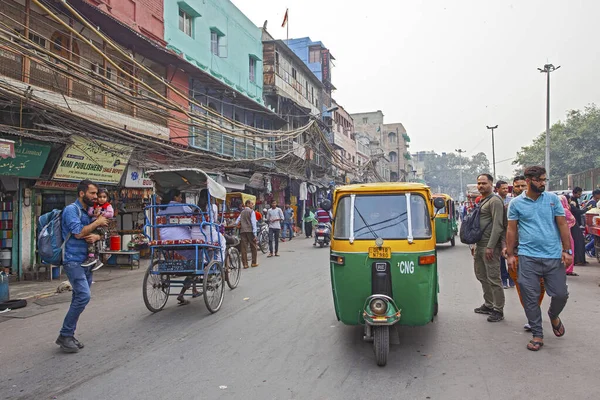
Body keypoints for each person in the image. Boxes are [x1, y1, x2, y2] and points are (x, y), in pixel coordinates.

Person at [506, 166, 572, 351]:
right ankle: (537, 334)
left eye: (544, 180)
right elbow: (511, 229)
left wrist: (567, 251)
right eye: (539, 180)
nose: (543, 183)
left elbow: (562, 224)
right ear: (528, 180)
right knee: (530, 297)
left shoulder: (552, 200)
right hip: (528, 258)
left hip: (552, 257)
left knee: (560, 294)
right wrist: (510, 254)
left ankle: (553, 314)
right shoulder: (516, 204)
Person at [56, 180, 108, 353]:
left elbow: (99, 233)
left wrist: (97, 236)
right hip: (73, 260)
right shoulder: (72, 210)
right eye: (92, 193)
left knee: (78, 297)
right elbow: (78, 232)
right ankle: (65, 335)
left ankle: (68, 334)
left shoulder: (89, 211)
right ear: (81, 193)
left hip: (87, 261)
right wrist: (97, 222)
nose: (95, 197)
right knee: (84, 296)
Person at [503, 175, 545, 332]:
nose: (521, 189)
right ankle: (532, 317)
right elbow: (504, 229)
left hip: (539, 252)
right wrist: (507, 249)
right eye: (517, 186)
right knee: (524, 287)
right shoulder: (509, 207)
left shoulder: (541, 204)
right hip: (518, 253)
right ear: (512, 187)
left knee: (541, 286)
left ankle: (535, 311)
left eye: (523, 186)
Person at [472, 174, 506, 323]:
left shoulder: (495, 201)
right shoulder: (482, 201)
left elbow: (498, 226)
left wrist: (491, 246)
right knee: (481, 275)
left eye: (484, 183)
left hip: (489, 246)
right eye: (479, 183)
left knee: (493, 278)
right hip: (479, 245)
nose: (481, 186)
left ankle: (498, 309)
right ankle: (488, 304)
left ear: (491, 184)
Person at [82, 188, 114, 271]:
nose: (102, 199)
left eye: (104, 197)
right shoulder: (93, 206)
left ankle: (93, 257)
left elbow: (111, 214)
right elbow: (90, 213)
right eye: (100, 197)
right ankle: (94, 258)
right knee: (92, 240)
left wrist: (102, 213)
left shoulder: (108, 206)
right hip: (94, 225)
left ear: (107, 198)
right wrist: (94, 213)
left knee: (94, 238)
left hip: (102, 226)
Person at [495, 180, 514, 289]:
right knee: (501, 259)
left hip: (509, 231)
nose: (506, 190)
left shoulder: (511, 201)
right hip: (499, 232)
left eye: (507, 188)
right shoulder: (494, 200)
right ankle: (503, 279)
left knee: (511, 255)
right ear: (497, 189)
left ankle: (512, 279)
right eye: (503, 188)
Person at [235, 199, 258, 268]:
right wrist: (255, 233)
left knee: (244, 248)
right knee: (253, 247)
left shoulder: (242, 212)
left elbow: (236, 222)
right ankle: (253, 263)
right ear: (247, 204)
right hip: (250, 231)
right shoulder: (251, 212)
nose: (252, 205)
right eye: (251, 204)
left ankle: (245, 264)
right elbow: (253, 223)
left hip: (242, 231)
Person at [558, 195, 577, 276]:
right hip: (567, 233)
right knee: (569, 249)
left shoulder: (555, 210)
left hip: (557, 234)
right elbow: (573, 220)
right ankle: (568, 269)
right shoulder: (565, 210)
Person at [569, 187, 587, 265]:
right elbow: (577, 212)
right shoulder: (572, 203)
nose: (579, 195)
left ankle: (579, 259)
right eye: (578, 194)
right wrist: (586, 209)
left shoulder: (574, 201)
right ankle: (577, 260)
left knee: (580, 242)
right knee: (577, 242)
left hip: (576, 225)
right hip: (573, 226)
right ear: (574, 193)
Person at [585, 189, 600, 258]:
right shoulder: (593, 203)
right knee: (595, 239)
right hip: (593, 224)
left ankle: (593, 252)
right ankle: (587, 248)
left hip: (594, 224)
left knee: (595, 239)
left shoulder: (594, 202)